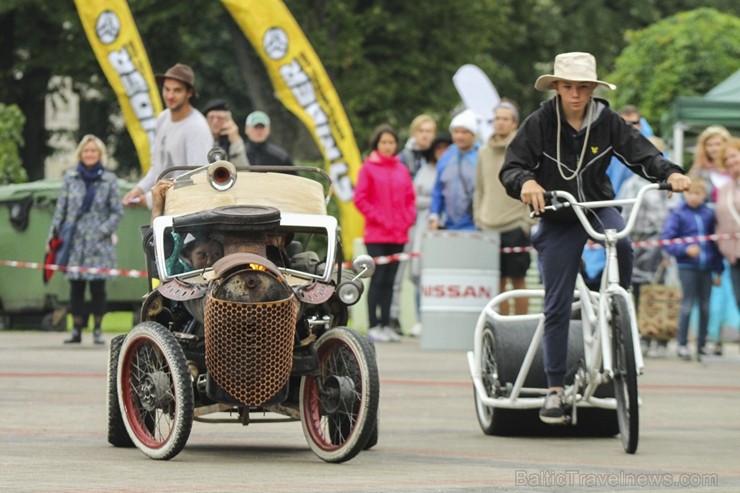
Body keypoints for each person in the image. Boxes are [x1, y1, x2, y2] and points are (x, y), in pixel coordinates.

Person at [499, 52, 690, 424]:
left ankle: (618, 301)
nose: (575, 94)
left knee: (621, 239)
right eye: (568, 86)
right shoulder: (539, 122)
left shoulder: (607, 120)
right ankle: (555, 389)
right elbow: (512, 167)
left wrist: (671, 172)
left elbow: (643, 154)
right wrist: (528, 182)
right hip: (557, 211)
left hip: (599, 203)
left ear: (593, 89)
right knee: (556, 301)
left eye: (583, 87)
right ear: (556, 87)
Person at [47, 135, 123, 345]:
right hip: (75, 241)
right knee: (76, 287)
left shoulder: (109, 180)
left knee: (98, 288)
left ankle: (98, 330)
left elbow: (117, 212)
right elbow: (60, 211)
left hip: (99, 242)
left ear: (100, 154)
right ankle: (77, 329)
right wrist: (52, 237)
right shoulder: (70, 178)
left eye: (93, 151)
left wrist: (103, 230)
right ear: (80, 154)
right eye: (86, 151)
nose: (89, 154)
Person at [354, 124, 416, 343]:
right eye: (384, 142)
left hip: (399, 235)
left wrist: (407, 221)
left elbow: (410, 199)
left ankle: (387, 323)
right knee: (377, 279)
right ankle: (373, 324)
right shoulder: (368, 168)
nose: (388, 146)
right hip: (377, 235)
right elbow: (360, 198)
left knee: (392, 281)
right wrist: (381, 219)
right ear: (377, 144)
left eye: (391, 142)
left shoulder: (401, 169)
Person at [122, 63, 212, 208]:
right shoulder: (162, 119)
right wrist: (139, 189)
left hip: (185, 212)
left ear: (189, 93)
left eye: (177, 90)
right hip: (162, 207)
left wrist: (149, 199)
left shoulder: (197, 128)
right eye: (167, 89)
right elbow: (158, 166)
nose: (170, 96)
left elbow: (197, 179)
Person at [474, 101, 534, 315]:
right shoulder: (483, 151)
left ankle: (520, 328)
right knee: (494, 283)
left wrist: (527, 222)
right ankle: (498, 328)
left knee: (518, 282)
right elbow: (479, 189)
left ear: (514, 123)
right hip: (488, 226)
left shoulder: (523, 149)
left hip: (515, 225)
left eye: (505, 119)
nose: (499, 123)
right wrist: (479, 219)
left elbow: (534, 185)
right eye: (496, 119)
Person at [619, 137, 675, 357]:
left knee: (657, 289)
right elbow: (623, 211)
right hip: (634, 240)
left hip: (658, 242)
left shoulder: (666, 182)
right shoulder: (630, 183)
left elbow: (671, 214)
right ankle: (637, 335)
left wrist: (667, 247)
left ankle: (657, 336)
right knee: (634, 289)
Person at [662, 178, 724, 360]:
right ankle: (682, 344)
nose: (694, 197)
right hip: (686, 266)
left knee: (705, 306)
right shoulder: (677, 213)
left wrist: (718, 269)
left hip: (707, 266)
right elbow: (667, 240)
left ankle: (702, 343)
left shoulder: (708, 214)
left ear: (704, 195)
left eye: (698, 193)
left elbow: (715, 243)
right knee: (687, 305)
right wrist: (684, 250)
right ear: (684, 193)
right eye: (690, 193)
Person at [389, 114, 438, 335]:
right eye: (422, 131)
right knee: (397, 272)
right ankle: (392, 317)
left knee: (421, 272)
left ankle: (423, 319)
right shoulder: (403, 158)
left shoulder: (436, 158)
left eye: (429, 131)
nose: (425, 135)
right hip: (403, 223)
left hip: (425, 224)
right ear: (414, 133)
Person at [408, 132, 452, 337]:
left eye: (446, 147)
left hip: (449, 225)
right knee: (422, 272)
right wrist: (433, 204)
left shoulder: (455, 167)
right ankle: (420, 318)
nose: (442, 152)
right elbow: (413, 198)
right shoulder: (424, 171)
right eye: (438, 148)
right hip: (425, 225)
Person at [429, 109, 480, 231]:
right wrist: (434, 215)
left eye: (464, 132)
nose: (459, 136)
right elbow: (438, 190)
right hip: (448, 225)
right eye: (456, 132)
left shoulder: (481, 156)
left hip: (475, 224)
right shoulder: (446, 157)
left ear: (473, 135)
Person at [688, 125, 732, 201]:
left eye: (718, 144)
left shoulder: (734, 166)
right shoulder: (699, 169)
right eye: (709, 145)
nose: (713, 149)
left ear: (726, 144)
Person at [202, 99, 249, 167]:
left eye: (219, 118)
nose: (215, 122)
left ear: (228, 121)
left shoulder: (231, 140)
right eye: (211, 117)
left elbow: (244, 171)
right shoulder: (199, 137)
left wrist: (235, 141)